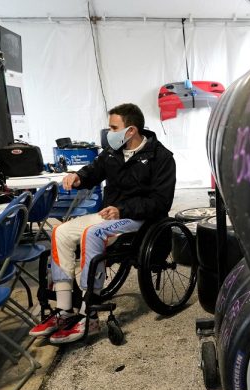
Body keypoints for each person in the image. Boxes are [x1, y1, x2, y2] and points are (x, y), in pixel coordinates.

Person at [30, 103, 176, 343]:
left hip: (138, 219)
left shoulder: (161, 158)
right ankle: (65, 311)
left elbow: (161, 202)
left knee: (93, 234)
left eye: (113, 127)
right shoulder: (112, 152)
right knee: (61, 233)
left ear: (130, 130)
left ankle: (91, 313)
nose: (109, 132)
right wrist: (78, 177)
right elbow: (94, 171)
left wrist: (122, 209)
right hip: (110, 214)